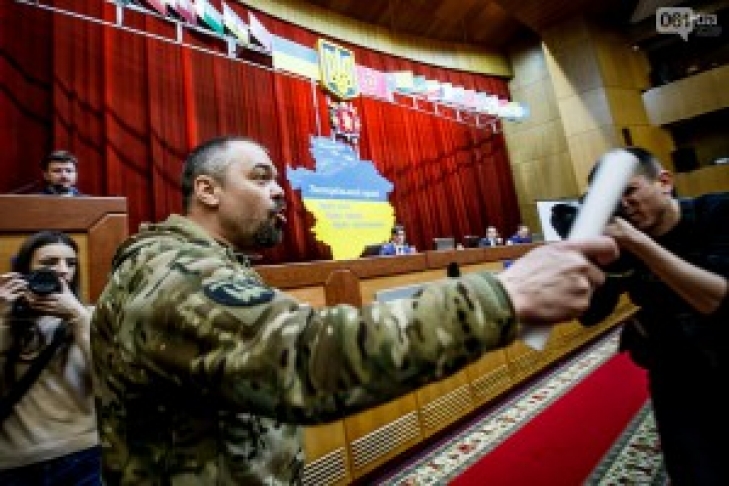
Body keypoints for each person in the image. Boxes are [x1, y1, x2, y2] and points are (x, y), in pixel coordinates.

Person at [90, 136, 618, 485]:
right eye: (261, 177)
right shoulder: (169, 269)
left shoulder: (210, 264)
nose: (280, 192)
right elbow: (306, 358)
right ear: (207, 190)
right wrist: (504, 296)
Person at [578, 146, 729, 485]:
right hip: (673, 370)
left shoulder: (718, 212)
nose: (624, 206)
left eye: (629, 191)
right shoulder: (621, 244)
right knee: (693, 470)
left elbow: (717, 298)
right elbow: (591, 316)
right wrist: (589, 263)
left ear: (664, 182)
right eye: (611, 201)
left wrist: (639, 244)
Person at [0, 231, 100, 485]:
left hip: (81, 454)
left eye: (71, 263)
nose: (63, 270)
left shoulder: (90, 317)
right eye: (49, 263)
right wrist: (3, 320)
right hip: (14, 462)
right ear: (24, 271)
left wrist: (78, 318)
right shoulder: (3, 319)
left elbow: (111, 380)